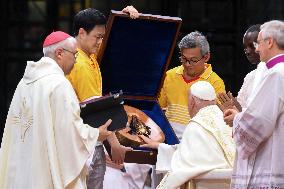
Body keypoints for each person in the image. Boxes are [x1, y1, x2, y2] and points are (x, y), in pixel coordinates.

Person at [0, 31, 112, 189]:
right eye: (75, 55)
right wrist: (95, 134)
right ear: (60, 53)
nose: (76, 60)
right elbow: (68, 132)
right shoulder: (59, 85)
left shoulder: (24, 82)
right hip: (45, 170)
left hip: (23, 167)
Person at [66, 7, 141, 189]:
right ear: (81, 33)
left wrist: (122, 20)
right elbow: (95, 109)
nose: (100, 42)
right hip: (86, 142)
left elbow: (114, 47)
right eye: (97, 37)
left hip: (88, 139)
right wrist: (114, 144)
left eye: (102, 37)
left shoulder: (87, 55)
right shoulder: (80, 64)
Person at [224, 20, 284, 189]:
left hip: (272, 159)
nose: (256, 49)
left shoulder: (276, 74)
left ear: (270, 42)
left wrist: (236, 118)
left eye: (258, 43)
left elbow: (259, 121)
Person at [142, 81, 235, 189]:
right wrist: (160, 147)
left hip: (206, 183)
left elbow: (184, 166)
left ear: (192, 102)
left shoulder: (197, 124)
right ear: (214, 101)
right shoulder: (227, 120)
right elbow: (194, 154)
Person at [158, 31, 226, 139]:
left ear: (206, 57)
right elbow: (159, 109)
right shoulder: (169, 76)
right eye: (184, 59)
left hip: (197, 141)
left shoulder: (215, 83)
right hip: (167, 139)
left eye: (193, 60)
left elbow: (215, 121)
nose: (187, 64)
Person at [218, 24, 267, 113]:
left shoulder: (278, 72)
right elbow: (242, 112)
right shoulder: (250, 77)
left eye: (252, 46)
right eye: (245, 47)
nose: (247, 51)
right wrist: (232, 105)